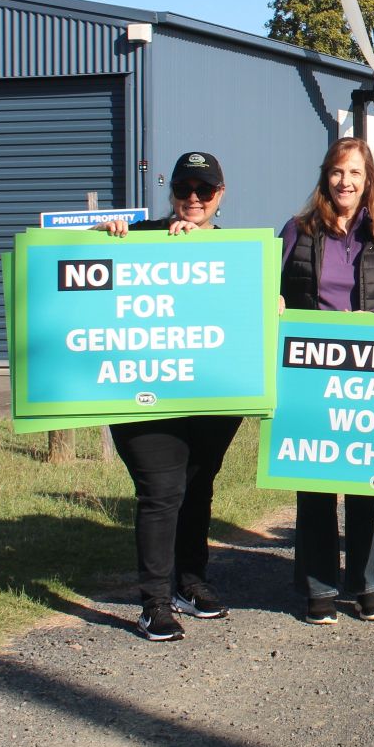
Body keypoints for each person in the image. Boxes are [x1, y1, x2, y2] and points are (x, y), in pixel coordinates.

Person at [98, 151, 243, 642]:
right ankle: (155, 603)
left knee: (198, 484)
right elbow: (83, 280)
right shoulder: (138, 238)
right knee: (161, 490)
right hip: (144, 393)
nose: (194, 200)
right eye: (185, 190)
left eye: (205, 191)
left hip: (210, 395)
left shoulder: (237, 251)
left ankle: (191, 581)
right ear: (171, 192)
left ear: (220, 196)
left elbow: (260, 305)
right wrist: (105, 238)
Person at [279, 136, 374, 624]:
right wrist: (277, 306)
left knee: (368, 482)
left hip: (370, 373)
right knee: (315, 482)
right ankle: (318, 586)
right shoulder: (297, 232)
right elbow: (273, 289)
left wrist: (369, 322)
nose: (345, 181)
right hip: (310, 374)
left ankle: (367, 584)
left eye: (355, 173)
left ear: (368, 180)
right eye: (338, 172)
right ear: (325, 177)